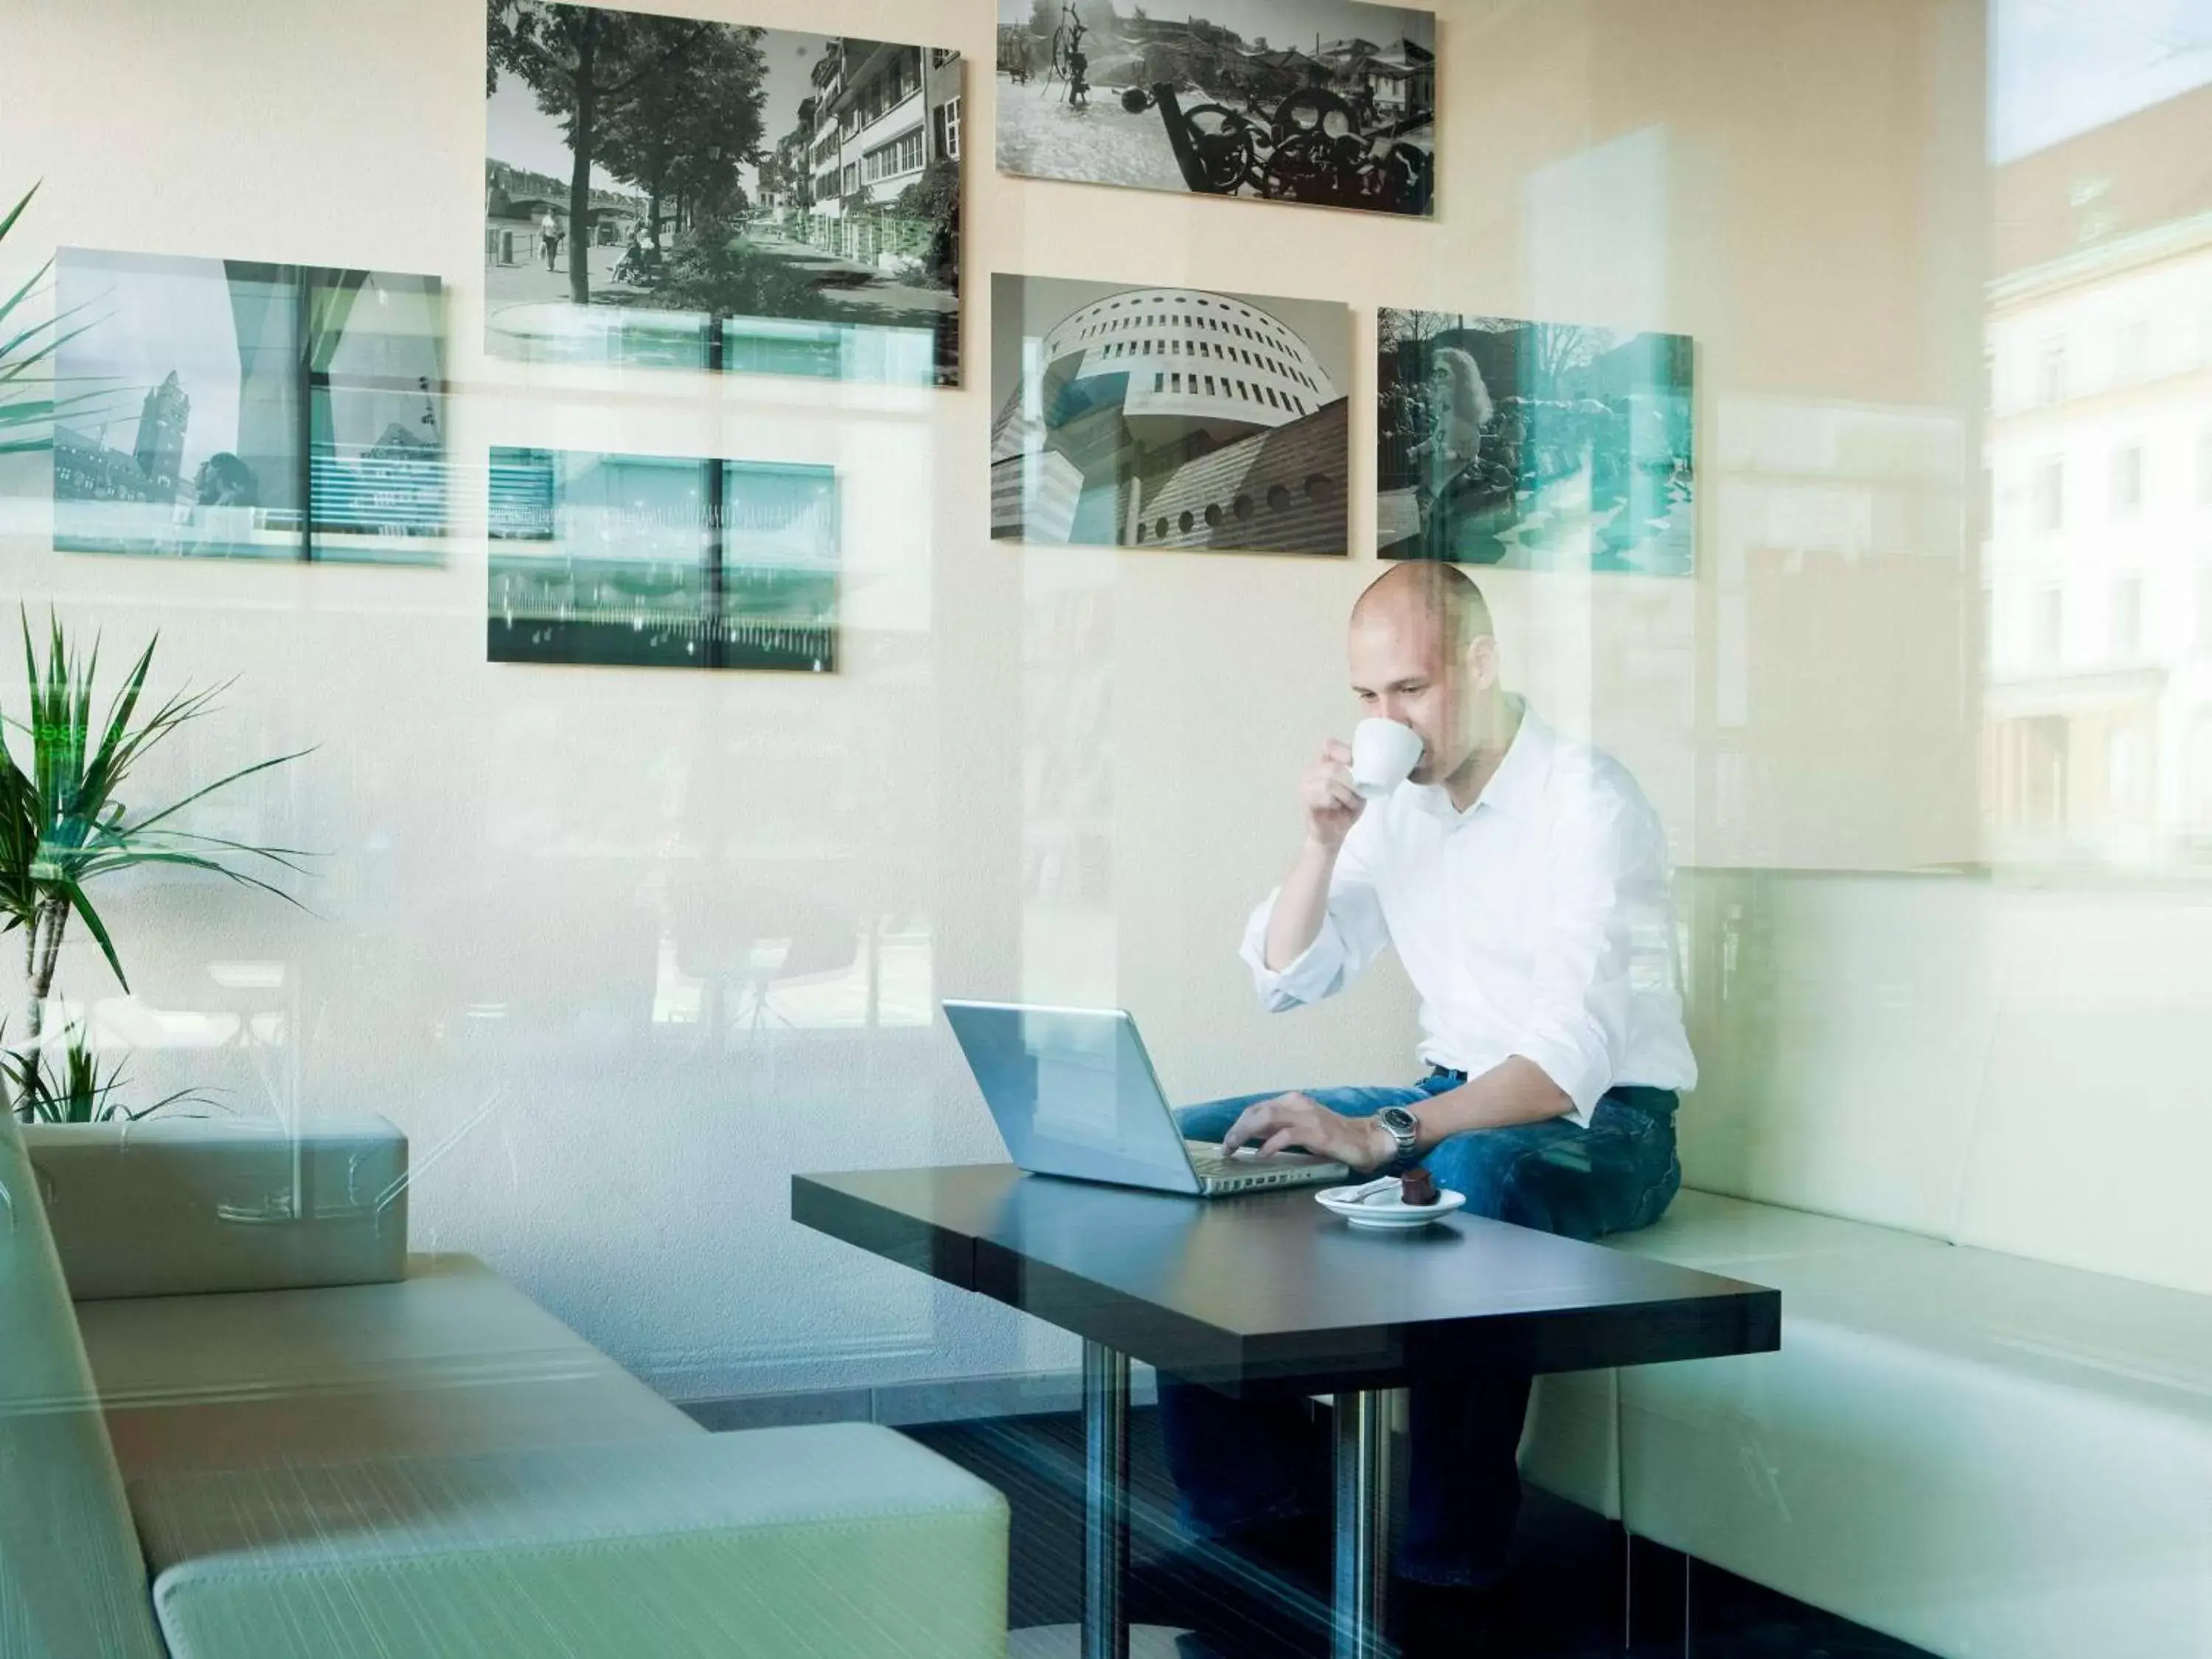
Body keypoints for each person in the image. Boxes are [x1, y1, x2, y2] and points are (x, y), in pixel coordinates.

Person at [1157, 559, 1696, 1650]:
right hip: (1451, 1090)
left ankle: (1451, 1560)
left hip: (1610, 1125)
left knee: (1479, 1180)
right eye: (1365, 698)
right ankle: (1258, 1505)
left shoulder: (1587, 801)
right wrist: (1320, 841)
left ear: (1483, 664)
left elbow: (1566, 1060)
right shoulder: (1397, 808)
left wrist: (1384, 1133)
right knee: (1208, 1137)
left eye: (1408, 690)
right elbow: (1285, 976)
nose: (1383, 721)